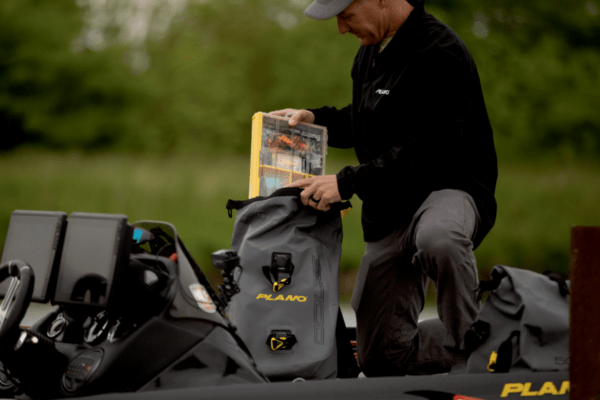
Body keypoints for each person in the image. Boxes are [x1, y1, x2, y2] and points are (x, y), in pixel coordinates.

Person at [269, 0, 497, 376]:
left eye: (346, 16)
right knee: (379, 358)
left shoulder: (441, 51)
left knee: (438, 238)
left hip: (446, 190)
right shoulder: (370, 50)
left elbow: (426, 150)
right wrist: (316, 120)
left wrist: (345, 183)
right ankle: (501, 335)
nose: (342, 29)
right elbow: (367, 120)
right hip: (391, 208)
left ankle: (476, 357)